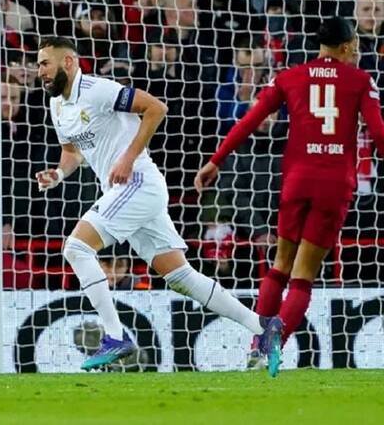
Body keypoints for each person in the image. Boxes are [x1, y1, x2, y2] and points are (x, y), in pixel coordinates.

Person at [34, 37, 282, 374]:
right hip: (126, 191)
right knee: (180, 277)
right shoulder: (57, 106)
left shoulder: (98, 89)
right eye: (38, 65)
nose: (40, 72)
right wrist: (59, 174)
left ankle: (115, 335)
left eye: (45, 63)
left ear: (68, 62)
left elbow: (156, 108)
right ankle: (263, 328)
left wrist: (128, 157)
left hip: (137, 182)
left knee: (76, 248)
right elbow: (73, 152)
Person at [195, 16, 384, 377]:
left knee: (280, 265)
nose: (358, 50)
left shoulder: (289, 77)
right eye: (356, 44)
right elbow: (379, 134)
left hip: (297, 180)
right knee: (304, 275)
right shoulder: (361, 81)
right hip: (334, 184)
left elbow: (250, 120)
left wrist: (215, 161)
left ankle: (255, 344)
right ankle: (272, 346)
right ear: (345, 47)